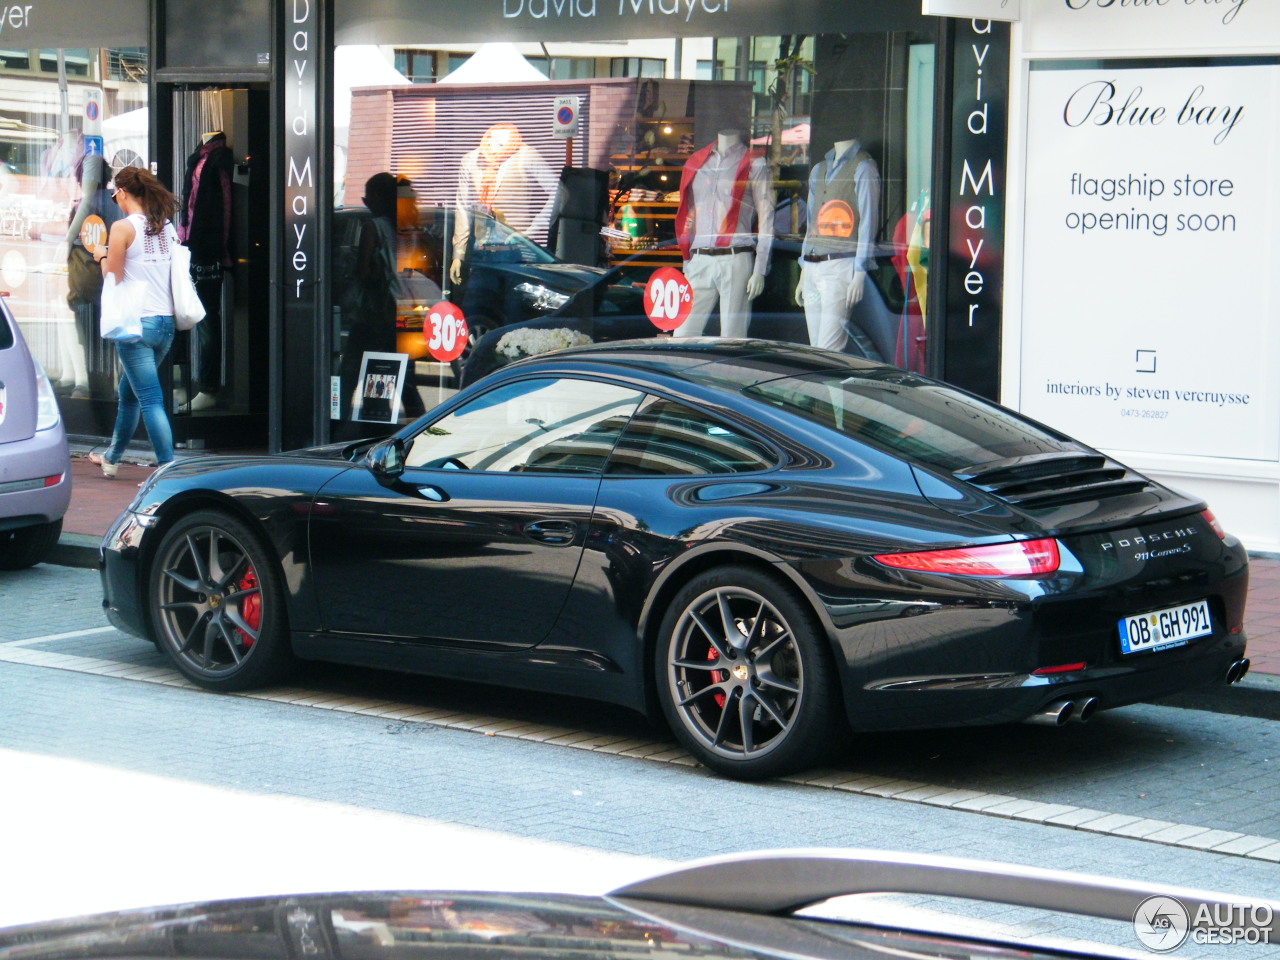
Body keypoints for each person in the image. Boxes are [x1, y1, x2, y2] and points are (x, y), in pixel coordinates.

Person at [87, 166, 180, 479]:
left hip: (135, 326)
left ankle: (168, 468)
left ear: (123, 193)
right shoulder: (165, 226)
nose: (115, 200)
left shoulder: (122, 228)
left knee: (150, 399)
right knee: (130, 393)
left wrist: (101, 254)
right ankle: (111, 458)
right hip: (164, 324)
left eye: (115, 194)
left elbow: (112, 276)